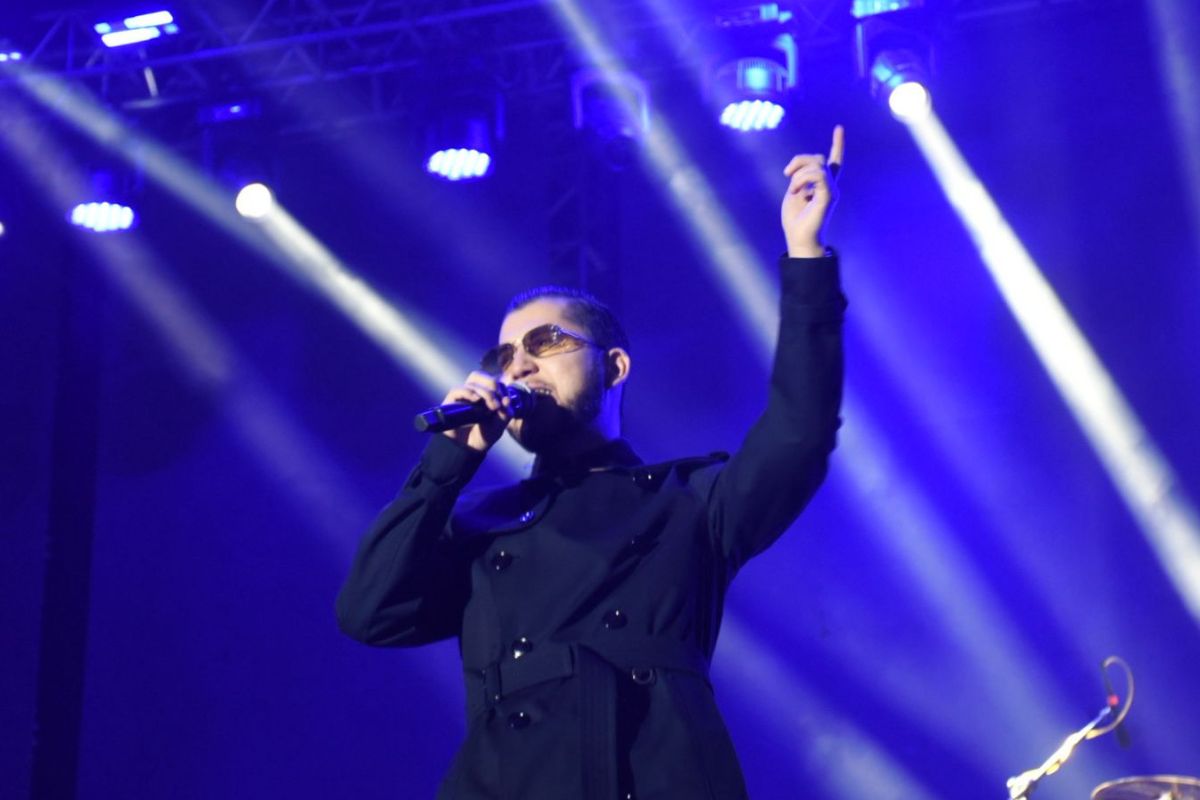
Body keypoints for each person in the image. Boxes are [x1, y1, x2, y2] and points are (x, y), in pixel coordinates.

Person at [336, 126, 847, 800]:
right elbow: (369, 613)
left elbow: (799, 433)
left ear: (615, 367)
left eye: (545, 343)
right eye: (504, 357)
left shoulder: (688, 500)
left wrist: (806, 256)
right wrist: (445, 466)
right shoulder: (477, 521)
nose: (519, 366)